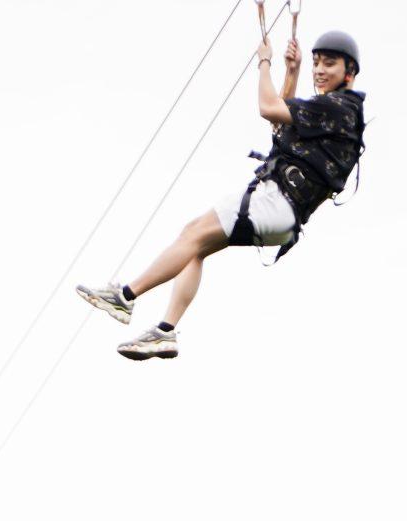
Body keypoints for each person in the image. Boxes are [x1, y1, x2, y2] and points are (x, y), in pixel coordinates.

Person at [77, 23, 365, 360]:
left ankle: (124, 296)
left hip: (275, 202)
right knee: (194, 245)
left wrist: (264, 63)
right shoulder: (334, 113)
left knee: (193, 234)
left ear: (350, 73)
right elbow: (281, 123)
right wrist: (293, 70)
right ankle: (165, 333)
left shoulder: (337, 108)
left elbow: (268, 108)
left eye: (329, 63)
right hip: (282, 213)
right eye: (317, 62)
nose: (319, 69)